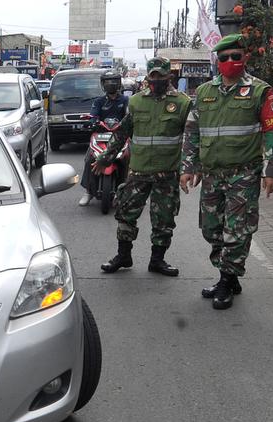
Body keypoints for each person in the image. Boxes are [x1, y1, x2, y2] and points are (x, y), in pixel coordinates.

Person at [179, 33, 273, 310]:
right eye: (224, 58)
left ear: (245, 58)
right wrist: (189, 167)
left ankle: (226, 280)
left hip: (244, 174)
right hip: (212, 174)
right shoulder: (204, 92)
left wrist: (271, 170)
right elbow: (192, 133)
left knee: (236, 230)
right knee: (212, 229)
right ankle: (229, 272)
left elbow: (272, 132)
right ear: (217, 60)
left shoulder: (261, 91)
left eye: (235, 57)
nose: (230, 62)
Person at [96, 57, 190, 277]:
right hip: (138, 172)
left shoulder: (183, 103)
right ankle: (123, 256)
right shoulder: (136, 102)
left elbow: (192, 138)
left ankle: (157, 260)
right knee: (126, 213)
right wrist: (105, 158)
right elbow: (121, 133)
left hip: (167, 174)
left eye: (160, 75)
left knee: (164, 219)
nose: (156, 80)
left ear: (169, 76)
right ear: (148, 77)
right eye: (152, 76)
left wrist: (189, 167)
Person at [78, 70, 129, 206]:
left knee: (129, 158)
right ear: (103, 84)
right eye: (108, 82)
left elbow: (130, 116)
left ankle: (130, 190)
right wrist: (91, 122)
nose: (111, 84)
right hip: (101, 135)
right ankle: (88, 191)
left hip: (121, 136)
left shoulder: (125, 100)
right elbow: (93, 115)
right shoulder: (99, 101)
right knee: (90, 158)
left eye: (114, 81)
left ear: (119, 83)